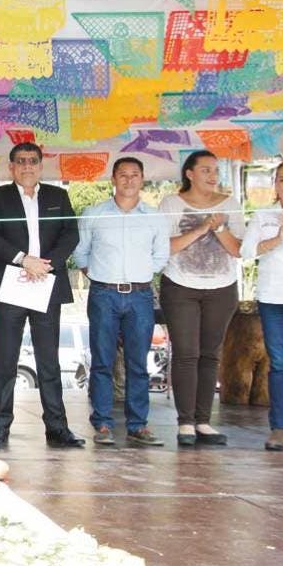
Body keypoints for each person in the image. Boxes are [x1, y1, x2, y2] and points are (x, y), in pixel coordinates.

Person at [0, 142, 84, 448]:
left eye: (33, 161)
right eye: (21, 161)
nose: (27, 166)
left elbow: (70, 234)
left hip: (46, 283)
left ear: (40, 165)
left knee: (49, 361)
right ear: (11, 167)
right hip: (12, 282)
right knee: (6, 360)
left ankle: (57, 428)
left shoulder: (58, 196)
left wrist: (46, 266)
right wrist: (24, 260)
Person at [73, 157, 169, 446]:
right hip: (103, 294)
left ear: (142, 179)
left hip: (140, 295)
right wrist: (101, 276)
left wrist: (139, 274)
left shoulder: (154, 217)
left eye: (134, 175)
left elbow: (160, 257)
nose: (129, 180)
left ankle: (138, 425)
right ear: (113, 179)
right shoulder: (94, 213)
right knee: (102, 361)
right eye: (123, 175)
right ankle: (102, 423)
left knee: (137, 363)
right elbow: (80, 253)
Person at [159, 151, 243, 447]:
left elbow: (238, 249)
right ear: (189, 174)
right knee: (186, 353)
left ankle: (203, 422)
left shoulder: (230, 204)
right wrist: (203, 227)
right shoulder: (171, 203)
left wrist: (219, 227)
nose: (212, 175)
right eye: (205, 170)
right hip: (180, 286)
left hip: (222, 288)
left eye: (216, 170)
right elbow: (165, 247)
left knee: (210, 354)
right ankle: (185, 423)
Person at [240, 159, 283, 451]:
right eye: (282, 179)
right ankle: (280, 427)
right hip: (274, 300)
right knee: (281, 364)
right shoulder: (263, 215)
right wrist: (280, 237)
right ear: (275, 184)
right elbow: (247, 251)